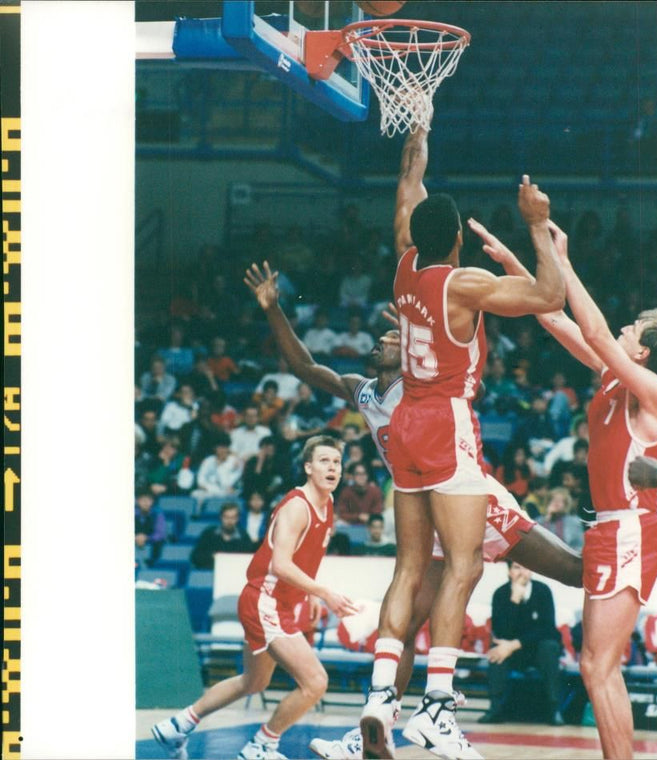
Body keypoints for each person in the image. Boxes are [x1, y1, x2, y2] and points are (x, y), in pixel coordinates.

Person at [243, 254, 579, 760]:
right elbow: (306, 367)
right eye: (384, 338)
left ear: (410, 353)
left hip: (473, 500)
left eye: (392, 339)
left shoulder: (423, 386)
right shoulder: (365, 392)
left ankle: (639, 539)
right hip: (431, 510)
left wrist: (419, 331)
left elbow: (475, 385)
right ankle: (372, 728)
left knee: (575, 571)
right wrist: (273, 310)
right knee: (397, 631)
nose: (380, 341)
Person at [361, 126, 565, 759]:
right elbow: (549, 295)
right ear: (452, 239)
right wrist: (537, 226)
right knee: (468, 563)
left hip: (406, 426)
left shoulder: (402, 261)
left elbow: (406, 188)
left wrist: (416, 132)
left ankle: (377, 699)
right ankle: (438, 707)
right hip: (447, 419)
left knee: (410, 568)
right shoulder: (462, 284)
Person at [517, 220, 657, 760]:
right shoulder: (614, 376)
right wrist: (527, 260)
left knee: (599, 666)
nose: (622, 330)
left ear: (644, 353)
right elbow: (552, 314)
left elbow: (599, 333)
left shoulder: (653, 392)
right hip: (614, 529)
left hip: (631, 528)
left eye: (632, 331)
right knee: (599, 666)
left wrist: (565, 258)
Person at [153, 436, 359, 760]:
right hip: (266, 601)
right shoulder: (297, 506)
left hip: (277, 603)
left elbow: (302, 559)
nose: (332, 467)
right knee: (316, 682)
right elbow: (281, 564)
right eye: (324, 460)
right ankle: (263, 744)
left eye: (337, 462)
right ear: (308, 467)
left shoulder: (328, 503)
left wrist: (310, 593)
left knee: (254, 682)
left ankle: (179, 723)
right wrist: (324, 592)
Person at [477, 560, 564, 726]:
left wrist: (515, 644)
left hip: (536, 650)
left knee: (550, 647)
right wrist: (514, 601)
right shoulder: (500, 594)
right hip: (511, 652)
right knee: (497, 650)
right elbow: (501, 631)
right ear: (509, 571)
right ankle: (494, 709)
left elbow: (548, 629)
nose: (522, 572)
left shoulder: (542, 591)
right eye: (517, 567)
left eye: (526, 567)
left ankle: (554, 710)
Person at [189, 501, 255, 570]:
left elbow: (248, 561)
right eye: (226, 517)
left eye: (233, 517)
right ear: (221, 517)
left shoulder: (244, 537)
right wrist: (213, 558)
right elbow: (195, 556)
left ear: (237, 519)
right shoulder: (209, 534)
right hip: (211, 572)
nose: (229, 521)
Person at [134, 488, 167, 567]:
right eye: (143, 500)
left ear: (152, 502)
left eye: (149, 500)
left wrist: (146, 537)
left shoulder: (157, 514)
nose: (146, 503)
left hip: (152, 543)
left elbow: (160, 533)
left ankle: (152, 567)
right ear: (137, 501)